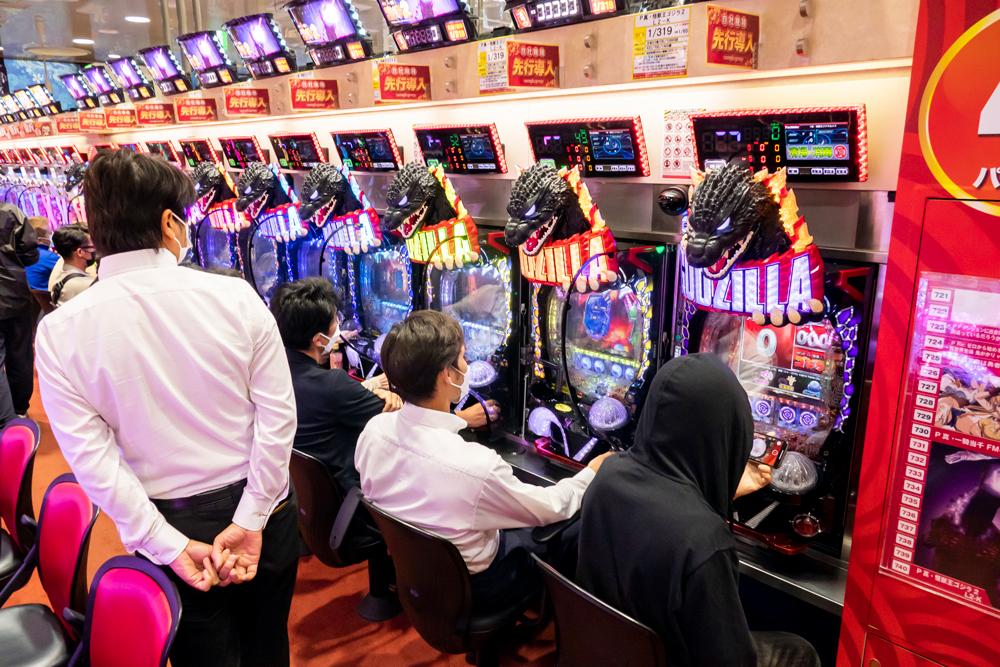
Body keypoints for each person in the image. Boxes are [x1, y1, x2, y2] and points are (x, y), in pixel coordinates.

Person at [35, 149, 299, 667]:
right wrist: (252, 516)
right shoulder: (237, 297)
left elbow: (94, 463)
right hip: (262, 502)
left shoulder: (60, 331)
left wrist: (166, 544)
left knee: (203, 657)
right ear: (169, 222)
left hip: (166, 514)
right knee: (268, 646)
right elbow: (278, 421)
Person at [576, 354, 821, 667]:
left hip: (612, 649)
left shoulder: (607, 478)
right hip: (670, 656)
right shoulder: (705, 541)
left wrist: (723, 487)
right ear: (727, 432)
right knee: (800, 651)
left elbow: (668, 502)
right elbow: (731, 659)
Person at [355, 310, 610, 608]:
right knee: (577, 523)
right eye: (463, 358)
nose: (467, 366)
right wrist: (591, 473)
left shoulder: (374, 431)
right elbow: (552, 507)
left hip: (417, 567)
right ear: (446, 375)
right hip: (477, 583)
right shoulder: (474, 466)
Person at [270, 277, 401, 494]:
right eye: (335, 321)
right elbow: (402, 420)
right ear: (319, 340)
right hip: (348, 496)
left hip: (302, 493)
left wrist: (369, 387)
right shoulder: (333, 384)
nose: (338, 327)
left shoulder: (273, 370)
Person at [0, 201, 38, 424]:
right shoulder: (9, 212)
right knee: (20, 356)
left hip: (13, 296)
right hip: (14, 294)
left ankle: (5, 419)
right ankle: (19, 410)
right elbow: (30, 253)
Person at [49, 223, 96, 307]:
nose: (96, 250)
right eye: (93, 247)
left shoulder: (58, 279)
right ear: (80, 252)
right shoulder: (88, 284)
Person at [24, 216, 58, 292]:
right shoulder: (47, 256)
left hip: (33, 297)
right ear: (39, 240)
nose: (51, 234)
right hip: (49, 296)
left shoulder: (23, 254)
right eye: (49, 233)